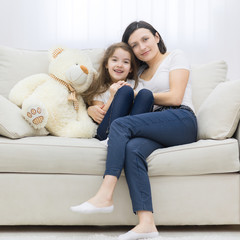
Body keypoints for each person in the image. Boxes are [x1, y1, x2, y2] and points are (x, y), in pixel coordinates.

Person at [71, 21, 198, 240]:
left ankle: (104, 194)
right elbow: (108, 90)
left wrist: (137, 95)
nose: (142, 47)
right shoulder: (138, 73)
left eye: (145, 39)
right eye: (135, 44)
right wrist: (92, 107)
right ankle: (147, 223)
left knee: (121, 125)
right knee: (132, 149)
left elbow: (176, 96)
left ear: (157, 37)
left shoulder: (175, 56)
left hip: (181, 119)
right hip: (154, 123)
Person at [82, 42, 154, 141]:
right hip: (107, 131)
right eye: (114, 60)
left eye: (125, 62)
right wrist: (112, 97)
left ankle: (131, 138)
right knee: (125, 91)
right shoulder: (100, 88)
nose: (119, 65)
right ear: (106, 64)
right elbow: (99, 117)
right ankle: (115, 138)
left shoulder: (136, 85)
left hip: (132, 130)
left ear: (131, 69)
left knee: (146, 94)